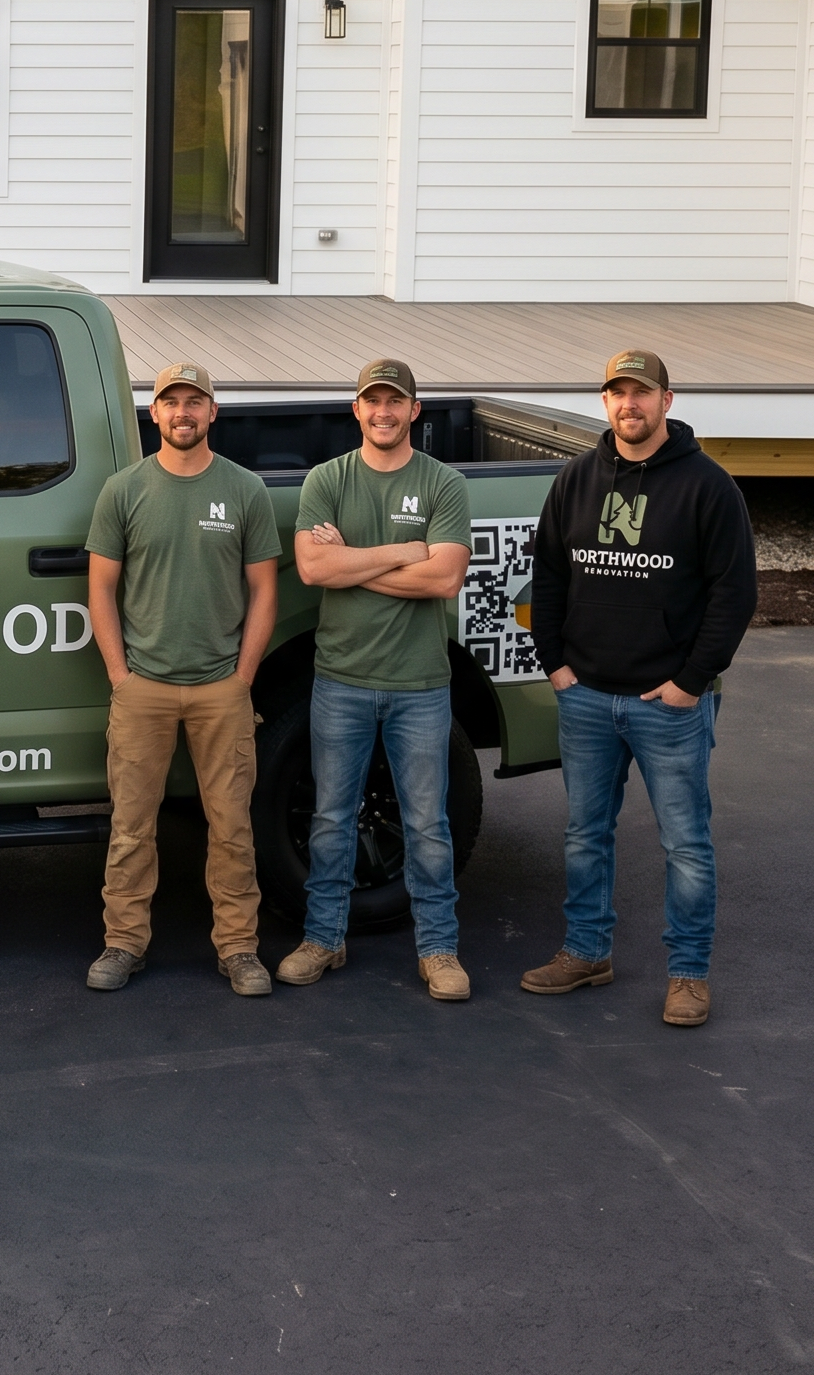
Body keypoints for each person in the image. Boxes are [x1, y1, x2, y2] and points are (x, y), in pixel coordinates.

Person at [522, 350, 756, 1028]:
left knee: (685, 844)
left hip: (669, 704)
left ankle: (688, 974)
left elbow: (734, 594)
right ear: (605, 402)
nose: (630, 404)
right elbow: (549, 575)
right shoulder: (576, 478)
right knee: (585, 835)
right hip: (587, 697)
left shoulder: (709, 486)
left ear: (667, 400)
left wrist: (690, 681)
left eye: (642, 392)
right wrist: (556, 665)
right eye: (618, 392)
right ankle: (586, 952)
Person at [83, 363, 281, 997]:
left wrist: (242, 678)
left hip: (222, 688)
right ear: (155, 413)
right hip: (142, 687)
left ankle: (239, 948)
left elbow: (264, 590)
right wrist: (120, 676)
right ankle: (123, 942)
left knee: (232, 827)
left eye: (195, 401)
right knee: (131, 826)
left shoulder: (245, 490)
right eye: (172, 402)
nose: (183, 413)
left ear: (213, 412)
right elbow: (101, 589)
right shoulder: (123, 490)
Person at [279, 359, 473, 1002]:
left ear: (415, 410)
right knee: (330, 819)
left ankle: (439, 950)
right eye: (373, 401)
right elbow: (313, 569)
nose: (383, 412)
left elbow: (445, 578)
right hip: (341, 680)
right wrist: (402, 552)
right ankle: (323, 939)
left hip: (421, 685)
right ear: (356, 409)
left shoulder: (443, 483)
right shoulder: (327, 479)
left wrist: (352, 562)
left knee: (428, 826)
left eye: (395, 401)